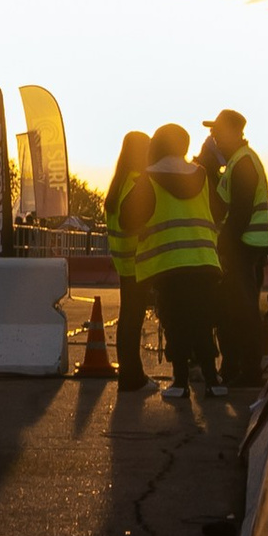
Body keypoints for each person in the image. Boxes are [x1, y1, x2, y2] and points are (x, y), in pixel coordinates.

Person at [121, 124, 223, 401]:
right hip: (204, 261)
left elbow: (126, 218)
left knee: (177, 322)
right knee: (202, 321)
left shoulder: (149, 179)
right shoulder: (201, 175)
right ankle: (213, 380)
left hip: (169, 265)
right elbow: (219, 210)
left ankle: (180, 381)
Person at [199, 108, 268, 385]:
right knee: (230, 311)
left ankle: (248, 372)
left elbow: (239, 214)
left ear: (232, 132)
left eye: (217, 131)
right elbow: (220, 207)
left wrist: (224, 248)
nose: (213, 136)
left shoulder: (243, 164)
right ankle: (232, 368)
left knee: (242, 312)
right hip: (241, 248)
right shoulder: (235, 163)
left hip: (243, 248)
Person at [105, 129, 154, 392]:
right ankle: (133, 378)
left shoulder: (119, 182)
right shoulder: (138, 181)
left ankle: (129, 375)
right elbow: (130, 221)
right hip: (138, 261)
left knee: (128, 320)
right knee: (133, 322)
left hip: (124, 261)